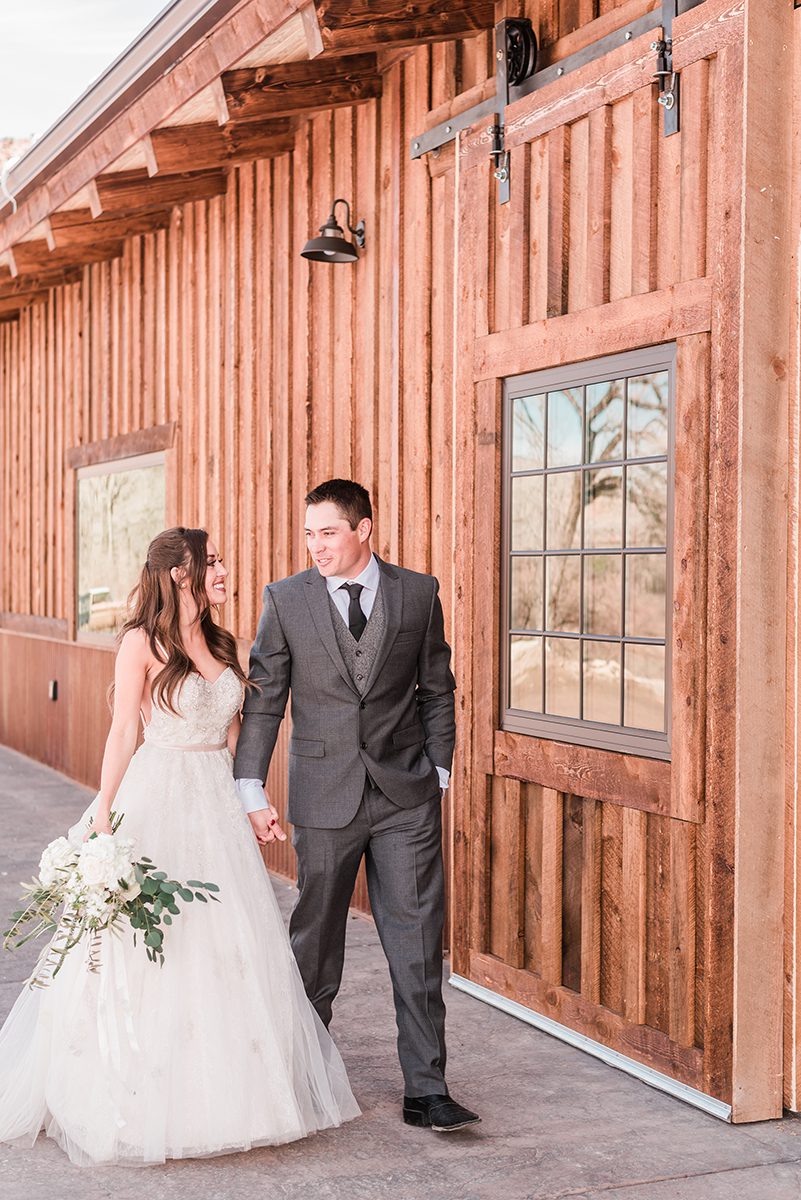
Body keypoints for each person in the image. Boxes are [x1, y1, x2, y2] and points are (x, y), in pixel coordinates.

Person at [0, 527, 359, 1166]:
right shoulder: (141, 642)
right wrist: (103, 815)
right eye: (210, 562)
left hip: (217, 802)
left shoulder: (222, 641)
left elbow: (236, 732)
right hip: (159, 790)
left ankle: (238, 1089)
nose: (222, 570)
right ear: (178, 574)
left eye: (220, 560)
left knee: (228, 935)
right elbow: (120, 735)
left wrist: (256, 805)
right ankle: (132, 1085)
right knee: (152, 938)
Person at [235, 479, 480, 1132]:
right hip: (324, 795)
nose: (316, 546)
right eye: (309, 533)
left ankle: (426, 1089)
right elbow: (265, 697)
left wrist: (439, 768)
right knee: (316, 943)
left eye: (329, 532)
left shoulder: (417, 594)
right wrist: (249, 786)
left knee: (418, 941)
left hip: (406, 798)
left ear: (363, 528)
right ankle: (299, 1080)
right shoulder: (286, 600)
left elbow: (437, 686)